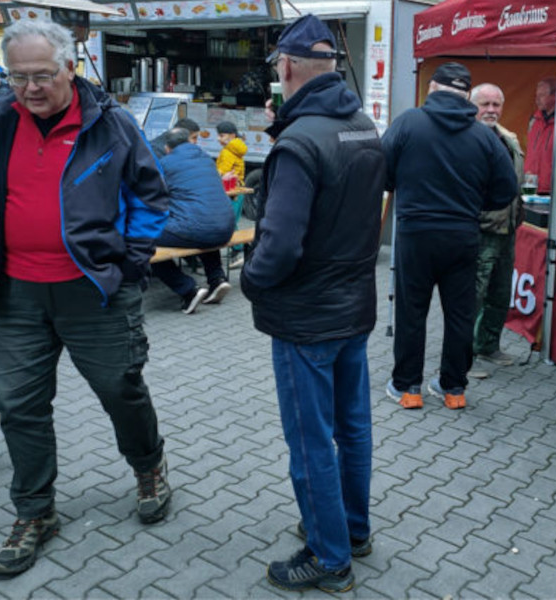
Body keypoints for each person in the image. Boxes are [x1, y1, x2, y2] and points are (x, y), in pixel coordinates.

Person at [0, 18, 172, 577]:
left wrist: (129, 264)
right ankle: (35, 511)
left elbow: (151, 196)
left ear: (70, 68)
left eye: (42, 75)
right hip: (15, 291)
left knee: (120, 389)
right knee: (19, 406)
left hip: (94, 291)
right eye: (18, 77)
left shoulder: (110, 123)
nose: (29, 88)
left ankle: (149, 466)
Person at [241, 14, 386, 593]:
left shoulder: (300, 142)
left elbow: (279, 246)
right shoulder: (362, 125)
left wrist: (252, 283)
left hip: (307, 317)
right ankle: (352, 530)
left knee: (310, 440)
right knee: (352, 428)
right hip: (353, 306)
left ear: (286, 66)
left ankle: (329, 557)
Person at [381, 62, 517, 410]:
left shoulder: (408, 123)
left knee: (412, 311)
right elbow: (506, 190)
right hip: (462, 234)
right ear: (467, 95)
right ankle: (453, 388)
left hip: (415, 234)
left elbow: (380, 171)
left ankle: (408, 388)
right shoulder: (485, 136)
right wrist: (474, 205)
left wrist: (404, 185)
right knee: (460, 313)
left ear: (432, 88)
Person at [469, 83, 525, 377]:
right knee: (472, 297)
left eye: (496, 104)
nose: (491, 110)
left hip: (507, 229)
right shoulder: (465, 139)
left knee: (500, 294)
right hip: (480, 231)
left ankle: (487, 345)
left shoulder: (508, 138)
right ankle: (461, 359)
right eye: (485, 104)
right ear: (472, 105)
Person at [151, 127, 235, 313]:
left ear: (167, 148)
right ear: (190, 141)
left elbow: (152, 196)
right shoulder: (207, 159)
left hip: (200, 229)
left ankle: (188, 290)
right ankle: (217, 279)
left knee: (143, 239)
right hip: (227, 227)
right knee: (204, 225)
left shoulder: (164, 164)